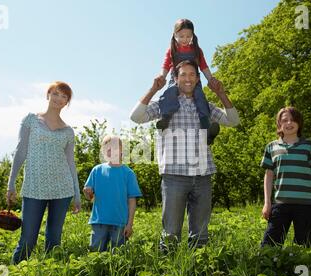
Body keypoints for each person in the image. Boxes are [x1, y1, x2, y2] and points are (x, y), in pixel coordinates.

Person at [130, 59, 240, 251]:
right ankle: (170, 274)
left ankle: (198, 272)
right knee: (171, 233)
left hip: (202, 175)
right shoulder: (165, 104)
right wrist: (153, 89)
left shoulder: (205, 105)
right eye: (183, 75)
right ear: (175, 78)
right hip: (174, 175)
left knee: (200, 234)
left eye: (192, 75)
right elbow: (136, 117)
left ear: (198, 79)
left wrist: (221, 93)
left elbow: (233, 120)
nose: (187, 79)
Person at [6, 81, 81, 264]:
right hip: (34, 187)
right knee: (27, 240)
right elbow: (20, 151)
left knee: (54, 241)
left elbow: (71, 163)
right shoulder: (31, 120)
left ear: (67, 103)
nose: (59, 98)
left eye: (64, 96)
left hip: (62, 190)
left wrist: (77, 195)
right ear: (48, 95)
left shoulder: (68, 131)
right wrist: (11, 182)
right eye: (55, 93)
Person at [260, 106, 311, 247]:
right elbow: (268, 176)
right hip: (280, 203)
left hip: (306, 205)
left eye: (293, 120)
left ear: (299, 123)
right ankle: (269, 268)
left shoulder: (309, 145)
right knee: (269, 246)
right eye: (285, 120)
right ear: (279, 124)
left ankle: (300, 269)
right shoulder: (271, 147)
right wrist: (267, 203)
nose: (289, 123)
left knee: (304, 245)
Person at [156, 18, 223, 145]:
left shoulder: (196, 50)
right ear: (175, 35)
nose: (185, 39)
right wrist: (161, 77)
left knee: (200, 98)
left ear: (193, 35)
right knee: (170, 94)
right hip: (175, 80)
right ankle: (165, 120)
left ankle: (207, 129)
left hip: (193, 81)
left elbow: (203, 66)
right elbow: (165, 66)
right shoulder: (172, 50)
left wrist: (211, 79)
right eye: (181, 36)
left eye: (188, 36)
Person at [83, 135, 142, 252]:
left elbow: (132, 201)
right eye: (107, 148)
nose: (111, 150)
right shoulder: (96, 170)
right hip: (99, 221)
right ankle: (98, 271)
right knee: (96, 253)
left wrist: (130, 224)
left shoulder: (128, 173)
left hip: (120, 222)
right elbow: (89, 197)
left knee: (119, 254)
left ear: (121, 150)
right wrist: (87, 192)